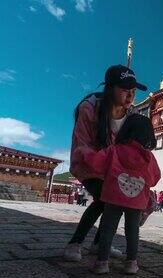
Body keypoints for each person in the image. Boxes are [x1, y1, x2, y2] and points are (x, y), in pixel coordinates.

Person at [63, 65, 147, 262]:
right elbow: (82, 146)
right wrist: (105, 162)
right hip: (87, 163)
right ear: (110, 88)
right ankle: (75, 243)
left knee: (116, 200)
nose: (130, 96)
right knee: (104, 198)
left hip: (112, 168)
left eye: (133, 91)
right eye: (125, 90)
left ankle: (100, 244)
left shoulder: (130, 114)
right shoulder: (89, 107)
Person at [81, 113, 160, 274]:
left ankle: (102, 262)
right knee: (132, 230)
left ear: (125, 130)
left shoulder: (114, 150)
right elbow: (155, 178)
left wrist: (84, 152)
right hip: (137, 201)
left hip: (113, 197)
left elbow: (97, 164)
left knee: (108, 228)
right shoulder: (149, 158)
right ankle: (131, 263)